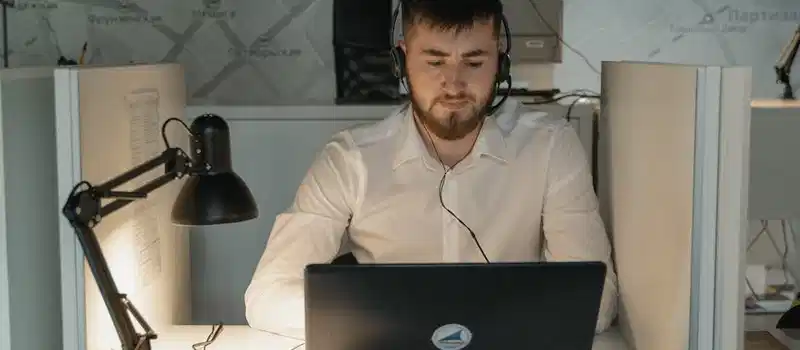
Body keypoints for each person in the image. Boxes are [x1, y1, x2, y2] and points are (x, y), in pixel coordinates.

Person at [245, 0, 618, 339]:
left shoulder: (551, 147)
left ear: (500, 63)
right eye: (435, 62)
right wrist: (387, 322)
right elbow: (266, 296)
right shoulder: (349, 160)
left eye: (474, 62)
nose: (453, 84)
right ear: (401, 61)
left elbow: (597, 302)